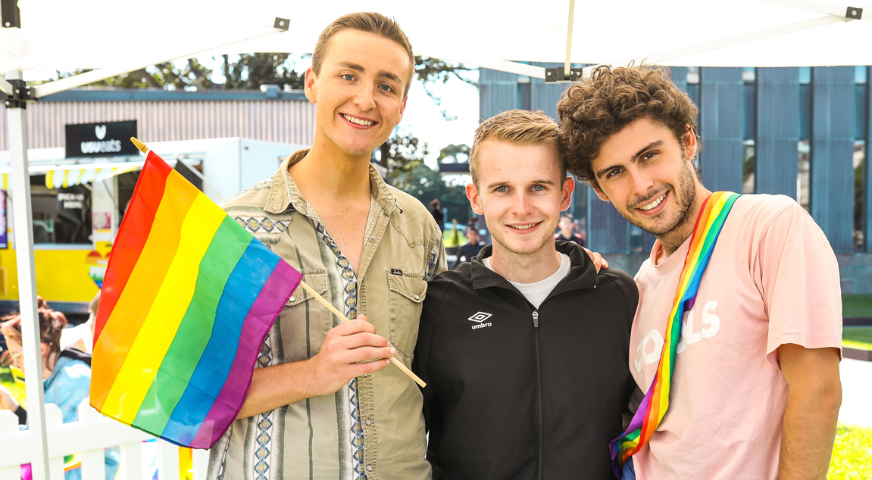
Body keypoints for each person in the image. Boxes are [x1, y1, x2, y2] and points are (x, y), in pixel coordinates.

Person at [557, 65, 843, 479]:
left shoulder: (768, 226)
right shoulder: (638, 288)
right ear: (600, 191)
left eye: (649, 155)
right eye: (615, 173)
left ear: (688, 141)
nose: (640, 186)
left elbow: (818, 391)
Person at [210, 12, 447, 479]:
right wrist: (313, 373)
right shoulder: (237, 228)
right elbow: (195, 393)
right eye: (348, 75)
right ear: (312, 82)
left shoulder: (418, 227)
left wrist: (563, 264)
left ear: (401, 105)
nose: (366, 99)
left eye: (386, 85)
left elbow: (457, 354)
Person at [415, 110, 638, 479]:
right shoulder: (438, 305)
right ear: (476, 198)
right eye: (502, 188)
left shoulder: (618, 297)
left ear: (564, 193)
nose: (521, 208)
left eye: (538, 186)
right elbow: (406, 430)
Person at [0, 299, 119, 480]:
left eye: (17, 355)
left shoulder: (71, 382)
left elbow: (56, 449)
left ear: (40, 349)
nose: (15, 364)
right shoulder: (59, 377)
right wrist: (14, 409)